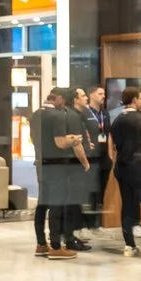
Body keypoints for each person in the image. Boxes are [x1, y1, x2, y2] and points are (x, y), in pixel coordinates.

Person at [32, 87, 89, 257]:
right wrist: (73, 140)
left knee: (42, 204)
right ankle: (56, 247)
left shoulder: (35, 115)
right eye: (63, 101)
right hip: (56, 166)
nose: (64, 105)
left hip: (41, 163)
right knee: (57, 205)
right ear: (58, 98)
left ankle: (41, 244)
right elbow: (60, 143)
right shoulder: (57, 116)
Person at [109, 87, 141, 255]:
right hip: (139, 166)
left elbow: (112, 145)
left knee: (127, 206)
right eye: (140, 98)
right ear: (134, 100)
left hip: (122, 166)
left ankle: (129, 246)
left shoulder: (116, 120)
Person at [76, 85, 111, 243]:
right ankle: (84, 225)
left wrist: (110, 156)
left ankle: (96, 225)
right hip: (90, 158)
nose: (103, 96)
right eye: (100, 93)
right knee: (87, 192)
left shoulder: (105, 113)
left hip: (103, 159)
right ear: (91, 95)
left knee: (100, 193)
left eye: (104, 93)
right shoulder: (83, 113)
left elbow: (108, 135)